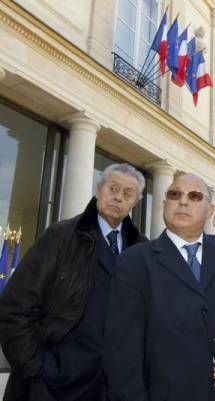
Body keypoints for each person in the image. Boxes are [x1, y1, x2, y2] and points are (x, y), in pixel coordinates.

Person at [103, 173, 215, 401]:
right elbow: (122, 351)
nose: (183, 201)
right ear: (164, 204)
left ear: (210, 211)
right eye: (175, 194)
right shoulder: (134, 262)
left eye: (194, 196)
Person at [0, 164, 147, 401]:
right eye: (113, 188)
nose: (118, 197)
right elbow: (14, 307)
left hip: (112, 388)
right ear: (99, 190)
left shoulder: (141, 251)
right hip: (54, 385)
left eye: (128, 193)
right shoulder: (60, 236)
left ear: (135, 203)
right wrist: (37, 370)